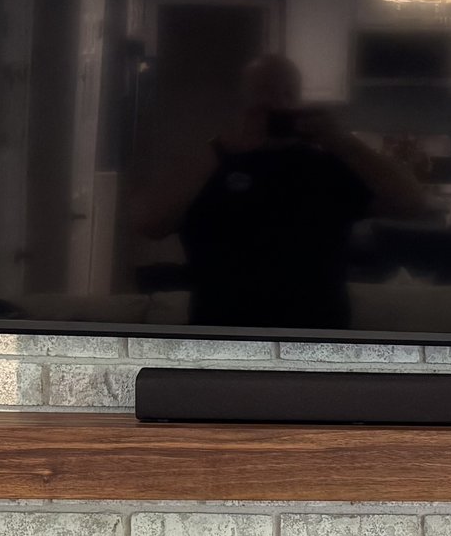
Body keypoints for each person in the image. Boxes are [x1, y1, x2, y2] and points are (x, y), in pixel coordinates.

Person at [132, 54, 431, 331]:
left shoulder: (327, 167)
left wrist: (343, 142)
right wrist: (224, 148)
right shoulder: (209, 164)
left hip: (316, 338)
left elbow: (414, 204)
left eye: (287, 94)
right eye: (264, 92)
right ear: (242, 102)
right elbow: (150, 223)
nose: (276, 103)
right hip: (222, 336)